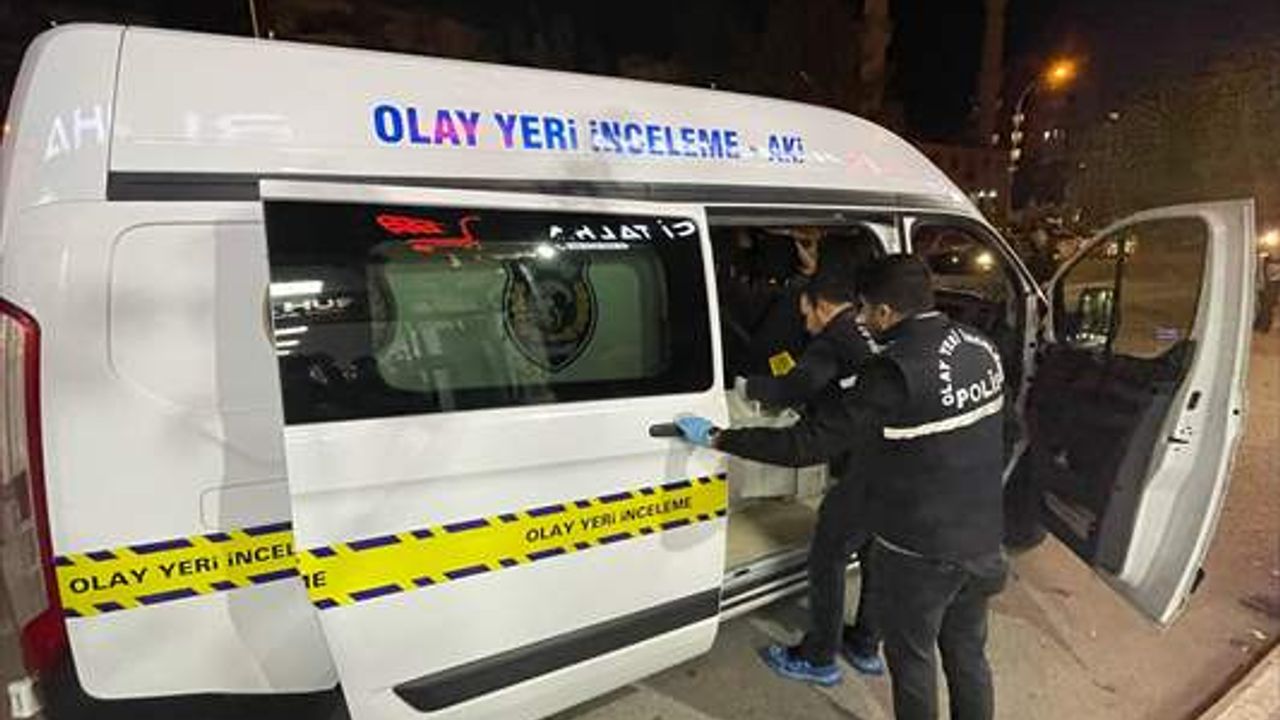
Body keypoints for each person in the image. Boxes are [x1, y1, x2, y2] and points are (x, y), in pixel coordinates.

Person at [674, 255, 1008, 720]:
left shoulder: (893, 372)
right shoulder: (980, 345)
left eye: (866, 310)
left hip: (921, 550)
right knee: (968, 656)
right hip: (984, 538)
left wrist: (719, 438)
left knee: (912, 660)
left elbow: (808, 444)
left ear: (886, 312)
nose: (863, 320)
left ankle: (821, 655)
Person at [740, 271, 886, 680]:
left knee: (829, 556)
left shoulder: (833, 338)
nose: (804, 323)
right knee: (875, 553)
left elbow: (796, 387)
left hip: (863, 468)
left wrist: (747, 387)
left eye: (805, 313)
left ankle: (818, 658)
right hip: (895, 461)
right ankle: (866, 645)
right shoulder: (870, 328)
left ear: (820, 305)